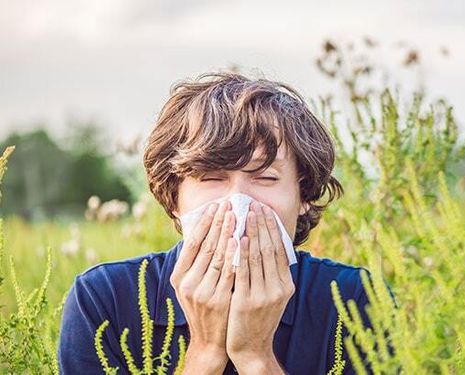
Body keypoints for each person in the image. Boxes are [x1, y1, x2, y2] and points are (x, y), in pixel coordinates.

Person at [57, 71, 396, 374]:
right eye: (211, 178)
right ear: (174, 198)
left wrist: (256, 357)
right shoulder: (104, 300)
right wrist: (205, 353)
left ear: (304, 195)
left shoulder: (355, 300)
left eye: (264, 177)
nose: (238, 204)